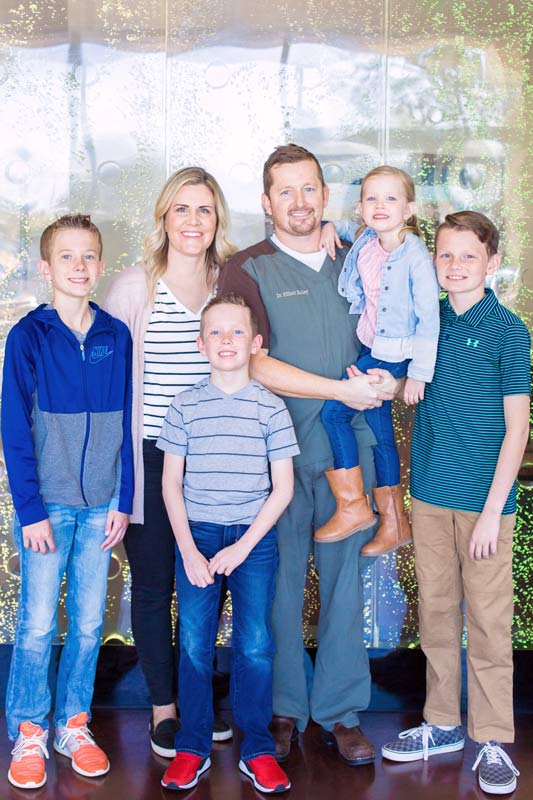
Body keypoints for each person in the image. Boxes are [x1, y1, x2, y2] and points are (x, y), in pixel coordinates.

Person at [217, 144, 398, 766]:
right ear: (266, 203)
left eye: (309, 189)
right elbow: (254, 361)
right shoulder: (247, 269)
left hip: (355, 449)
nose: (299, 202)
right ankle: (285, 709)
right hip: (277, 454)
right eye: (285, 192)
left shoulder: (361, 259)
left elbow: (395, 335)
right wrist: (340, 389)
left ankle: (342, 711)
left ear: (325, 195)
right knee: (281, 584)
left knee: (348, 582)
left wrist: (387, 381)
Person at [381, 211, 530, 796]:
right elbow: (401, 383)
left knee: (490, 623)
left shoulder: (509, 330)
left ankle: (491, 737)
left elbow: (516, 430)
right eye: (445, 255)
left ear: (492, 264)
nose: (456, 266)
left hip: (486, 505)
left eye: (469, 256)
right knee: (438, 614)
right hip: (431, 497)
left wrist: (494, 511)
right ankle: (441, 722)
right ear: (433, 261)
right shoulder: (428, 323)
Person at [104, 167, 236, 755]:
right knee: (156, 588)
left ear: (217, 221)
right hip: (153, 459)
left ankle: (200, 700)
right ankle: (165, 706)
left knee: (208, 587)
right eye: (180, 209)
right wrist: (116, 480)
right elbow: (112, 391)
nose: (191, 221)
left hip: (218, 461)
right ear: (163, 217)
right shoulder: (136, 287)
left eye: (203, 210)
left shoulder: (231, 284)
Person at [1, 214, 133, 789]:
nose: (79, 267)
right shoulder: (29, 336)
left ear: (100, 266)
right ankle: (29, 729)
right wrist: (28, 508)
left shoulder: (116, 335)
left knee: (85, 623)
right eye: (67, 257)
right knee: (35, 624)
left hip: (100, 504)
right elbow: (13, 427)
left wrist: (123, 498)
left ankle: (72, 724)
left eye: (89, 257)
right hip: (47, 506)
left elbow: (127, 422)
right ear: (46, 267)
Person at [157, 294, 298, 793]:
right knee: (194, 644)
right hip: (196, 535)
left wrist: (242, 547)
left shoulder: (271, 408)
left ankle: (256, 748)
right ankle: (192, 744)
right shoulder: (184, 405)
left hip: (252, 542)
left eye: (236, 331)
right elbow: (170, 484)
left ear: (256, 343)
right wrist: (190, 550)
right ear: (200, 344)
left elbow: (283, 489)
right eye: (215, 332)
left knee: (255, 644)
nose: (226, 341)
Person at [315, 166, 440, 555]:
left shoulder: (415, 256)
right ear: (361, 208)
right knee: (379, 428)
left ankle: (354, 507)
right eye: (371, 198)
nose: (380, 206)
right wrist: (326, 226)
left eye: (390, 199)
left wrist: (418, 375)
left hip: (396, 354)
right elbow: (348, 230)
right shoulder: (369, 237)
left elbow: (429, 320)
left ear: (409, 210)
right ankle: (394, 522)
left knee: (334, 414)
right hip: (373, 348)